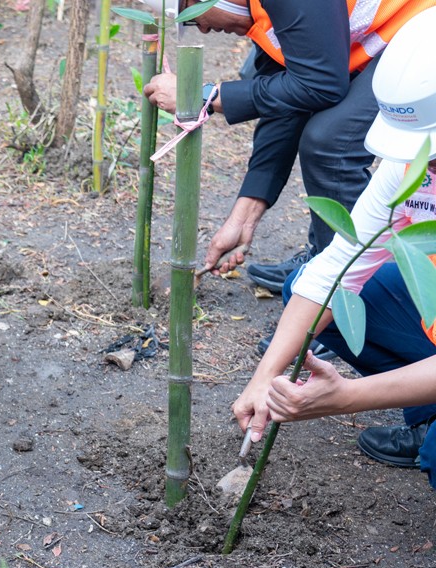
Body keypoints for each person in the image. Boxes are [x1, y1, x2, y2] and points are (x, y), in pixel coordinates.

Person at [234, 7, 436, 486]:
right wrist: (264, 377)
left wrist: (346, 397)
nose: (422, 172)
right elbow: (336, 269)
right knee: (319, 289)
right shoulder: (416, 163)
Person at [142, 0, 436, 295]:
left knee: (332, 141)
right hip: (398, 30)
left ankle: (350, 293)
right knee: (327, 137)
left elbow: (321, 84)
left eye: (193, 18)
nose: (204, 29)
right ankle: (326, 260)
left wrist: (202, 96)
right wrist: (245, 215)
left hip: (421, 22)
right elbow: (286, 100)